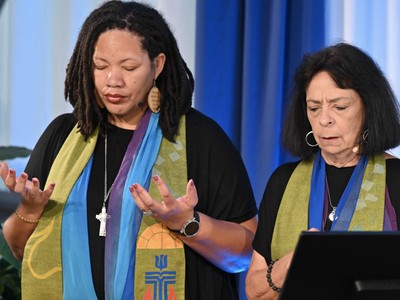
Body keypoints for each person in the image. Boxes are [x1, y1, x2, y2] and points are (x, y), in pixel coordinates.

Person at [0, 1, 258, 299]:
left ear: (157, 65)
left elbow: (247, 253)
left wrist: (187, 222)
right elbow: (20, 248)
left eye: (129, 67)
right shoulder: (63, 135)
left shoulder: (202, 140)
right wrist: (30, 211)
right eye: (100, 66)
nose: (113, 80)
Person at [246, 42, 400, 299]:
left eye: (339, 107)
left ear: (369, 107)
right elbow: (254, 291)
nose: (324, 120)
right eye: (314, 108)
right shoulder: (283, 181)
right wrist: (290, 266)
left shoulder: (395, 179)